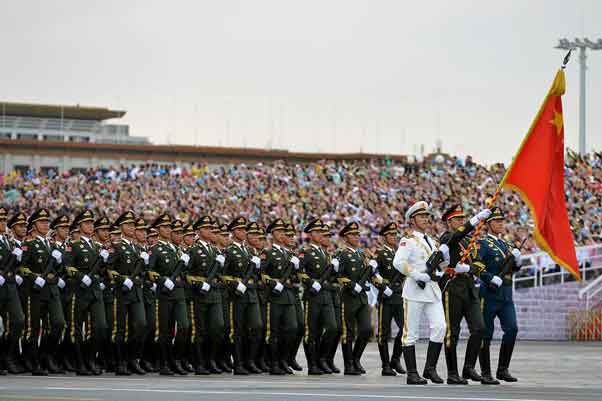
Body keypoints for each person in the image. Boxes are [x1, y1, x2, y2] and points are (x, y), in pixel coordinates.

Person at [393, 201, 448, 385]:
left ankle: (430, 368)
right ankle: (412, 373)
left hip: (432, 290)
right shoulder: (407, 241)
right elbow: (398, 262)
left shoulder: (432, 242)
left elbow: (440, 266)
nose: (425, 219)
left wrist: (445, 259)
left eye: (427, 216)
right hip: (415, 291)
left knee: (440, 327)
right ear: (412, 220)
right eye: (421, 216)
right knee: (411, 333)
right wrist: (416, 274)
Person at [439, 204, 490, 384]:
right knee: (452, 332)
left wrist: (468, 267)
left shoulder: (469, 240)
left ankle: (468, 367)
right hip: (452, 289)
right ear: (449, 222)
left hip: (469, 288)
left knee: (479, 328)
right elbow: (456, 236)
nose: (461, 221)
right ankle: (452, 372)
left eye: (463, 219)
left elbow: (480, 264)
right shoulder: (447, 238)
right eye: (458, 219)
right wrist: (475, 220)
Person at [477, 207, 523, 384]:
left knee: (512, 329)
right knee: (486, 334)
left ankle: (503, 369)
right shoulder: (483, 244)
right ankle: (485, 372)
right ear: (488, 224)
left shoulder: (507, 245)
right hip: (488, 294)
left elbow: (514, 269)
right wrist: (489, 278)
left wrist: (518, 261)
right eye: (497, 221)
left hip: (506, 295)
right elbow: (477, 266)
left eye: (502, 221)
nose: (500, 224)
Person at [20, 209, 66, 375]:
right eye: (42, 222)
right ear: (34, 225)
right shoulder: (29, 245)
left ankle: (45, 355)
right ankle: (33, 361)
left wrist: (59, 262)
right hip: (36, 291)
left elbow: (59, 269)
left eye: (47, 222)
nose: (46, 224)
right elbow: (22, 268)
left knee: (58, 323)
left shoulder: (52, 245)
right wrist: (34, 277)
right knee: (33, 328)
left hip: (52, 291)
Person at [66, 209, 110, 375]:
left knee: (100, 327)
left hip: (95, 291)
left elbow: (104, 269)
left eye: (92, 223)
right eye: (87, 223)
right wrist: (80, 276)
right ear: (80, 225)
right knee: (76, 328)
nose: (90, 226)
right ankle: (80, 362)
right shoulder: (74, 245)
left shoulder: (97, 247)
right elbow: (68, 266)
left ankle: (90, 358)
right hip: (79, 290)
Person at [105, 211, 147, 376]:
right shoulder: (117, 246)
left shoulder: (138, 248)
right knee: (121, 328)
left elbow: (143, 271)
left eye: (133, 225)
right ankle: (121, 362)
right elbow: (108, 269)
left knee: (141, 325)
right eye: (128, 225)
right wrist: (123, 280)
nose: (131, 228)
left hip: (136, 292)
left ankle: (132, 358)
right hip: (121, 292)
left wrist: (138, 279)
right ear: (121, 227)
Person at [148, 213, 190, 375]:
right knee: (165, 331)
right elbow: (150, 271)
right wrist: (162, 280)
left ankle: (176, 358)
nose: (168, 230)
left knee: (184, 326)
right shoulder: (156, 249)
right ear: (158, 229)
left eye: (169, 227)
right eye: (165, 227)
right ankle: (165, 362)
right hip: (164, 294)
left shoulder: (178, 250)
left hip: (179, 293)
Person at [222, 217, 263, 375]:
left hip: (251, 293)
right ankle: (238, 363)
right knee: (238, 330)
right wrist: (235, 284)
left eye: (245, 229)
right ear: (233, 232)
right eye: (240, 230)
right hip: (237, 295)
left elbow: (256, 273)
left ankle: (249, 360)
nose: (244, 232)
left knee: (256, 326)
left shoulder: (250, 251)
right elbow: (223, 274)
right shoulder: (229, 251)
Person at [186, 216, 226, 375]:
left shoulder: (215, 250)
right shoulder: (193, 250)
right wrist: (198, 283)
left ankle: (210, 359)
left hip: (214, 293)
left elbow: (220, 272)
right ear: (199, 231)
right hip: (199, 294)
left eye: (211, 228)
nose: (211, 231)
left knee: (217, 327)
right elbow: (186, 273)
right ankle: (200, 362)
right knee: (200, 330)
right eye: (207, 228)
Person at [298, 219, 338, 375]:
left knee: (332, 328)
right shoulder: (306, 252)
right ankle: (312, 364)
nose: (321, 235)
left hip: (326, 295)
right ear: (310, 234)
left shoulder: (325, 254)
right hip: (312, 295)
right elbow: (300, 272)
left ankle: (321, 358)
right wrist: (310, 283)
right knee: (312, 331)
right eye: (317, 232)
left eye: (322, 232)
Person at [335, 222, 375, 375]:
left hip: (362, 297)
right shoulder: (341, 253)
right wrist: (352, 285)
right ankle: (348, 364)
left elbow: (367, 275)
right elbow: (337, 275)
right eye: (353, 235)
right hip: (348, 296)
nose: (357, 237)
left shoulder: (361, 254)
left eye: (358, 234)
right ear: (346, 237)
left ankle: (356, 358)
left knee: (366, 329)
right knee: (348, 332)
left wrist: (372, 267)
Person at [260, 219, 299, 375]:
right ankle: (274, 362)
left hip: (288, 295)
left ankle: (283, 359)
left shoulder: (289, 254)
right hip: (274, 296)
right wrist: (272, 283)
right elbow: (261, 274)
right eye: (281, 232)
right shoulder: (267, 253)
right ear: (274, 234)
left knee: (292, 328)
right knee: (274, 331)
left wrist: (296, 268)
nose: (284, 234)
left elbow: (295, 277)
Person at [374, 222, 405, 376]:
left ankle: (395, 359)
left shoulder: (399, 253)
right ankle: (386, 365)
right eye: (391, 235)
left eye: (395, 234)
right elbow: (372, 273)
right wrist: (382, 287)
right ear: (385, 237)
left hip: (398, 295)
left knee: (404, 328)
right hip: (386, 296)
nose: (394, 237)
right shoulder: (379, 253)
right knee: (384, 332)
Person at [0, 208, 26, 374]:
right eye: (0, 220)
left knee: (18, 320)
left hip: (9, 285)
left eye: (4, 220)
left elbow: (13, 265)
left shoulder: (8, 241)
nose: (3, 223)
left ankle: (7, 356)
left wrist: (15, 274)